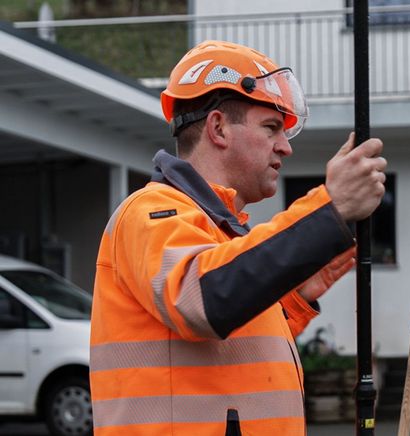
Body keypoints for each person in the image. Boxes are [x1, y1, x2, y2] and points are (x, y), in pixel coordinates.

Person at [89, 40, 387, 435]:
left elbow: (226, 348)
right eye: (271, 128)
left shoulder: (218, 231)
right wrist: (327, 209)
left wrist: (293, 300)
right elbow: (207, 300)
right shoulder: (149, 212)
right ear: (218, 128)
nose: (285, 147)